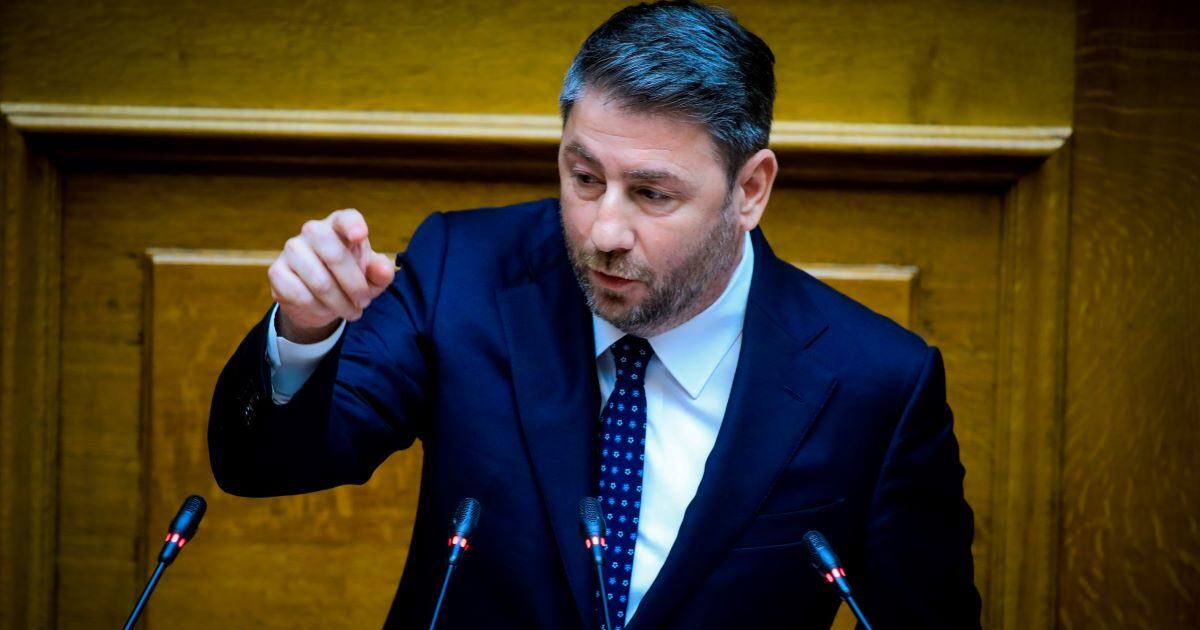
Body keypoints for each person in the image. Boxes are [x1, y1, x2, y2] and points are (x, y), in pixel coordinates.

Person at [208, 1, 982, 628]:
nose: (604, 231)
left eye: (651, 193)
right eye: (583, 178)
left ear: (750, 190)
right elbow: (263, 465)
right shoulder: (461, 273)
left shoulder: (876, 384)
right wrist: (304, 332)